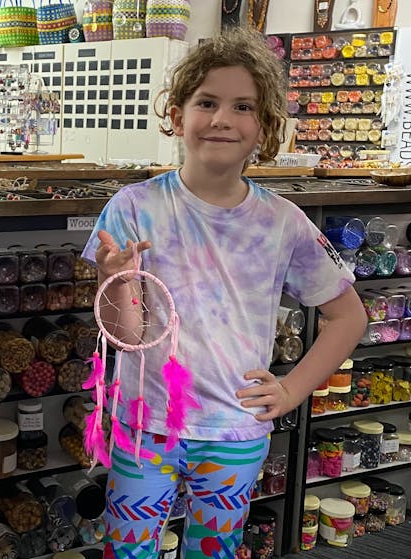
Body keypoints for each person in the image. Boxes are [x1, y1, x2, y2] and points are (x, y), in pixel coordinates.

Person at [82, 27, 366, 558]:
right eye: (206, 102)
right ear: (177, 115)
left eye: (243, 106)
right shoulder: (132, 208)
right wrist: (113, 279)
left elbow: (348, 318)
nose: (221, 118)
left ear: (265, 126)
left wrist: (291, 390)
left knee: (213, 549)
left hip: (234, 429)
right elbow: (128, 337)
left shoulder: (284, 223)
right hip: (147, 424)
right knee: (127, 550)